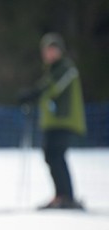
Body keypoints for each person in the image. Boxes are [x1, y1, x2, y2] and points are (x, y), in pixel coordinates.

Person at [18, 33, 86, 210]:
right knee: (51, 156)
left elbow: (54, 87)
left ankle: (66, 196)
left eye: (53, 50)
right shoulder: (52, 70)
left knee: (56, 156)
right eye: (47, 50)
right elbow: (46, 89)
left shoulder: (65, 68)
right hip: (53, 122)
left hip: (64, 120)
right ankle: (60, 194)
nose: (50, 54)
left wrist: (34, 94)